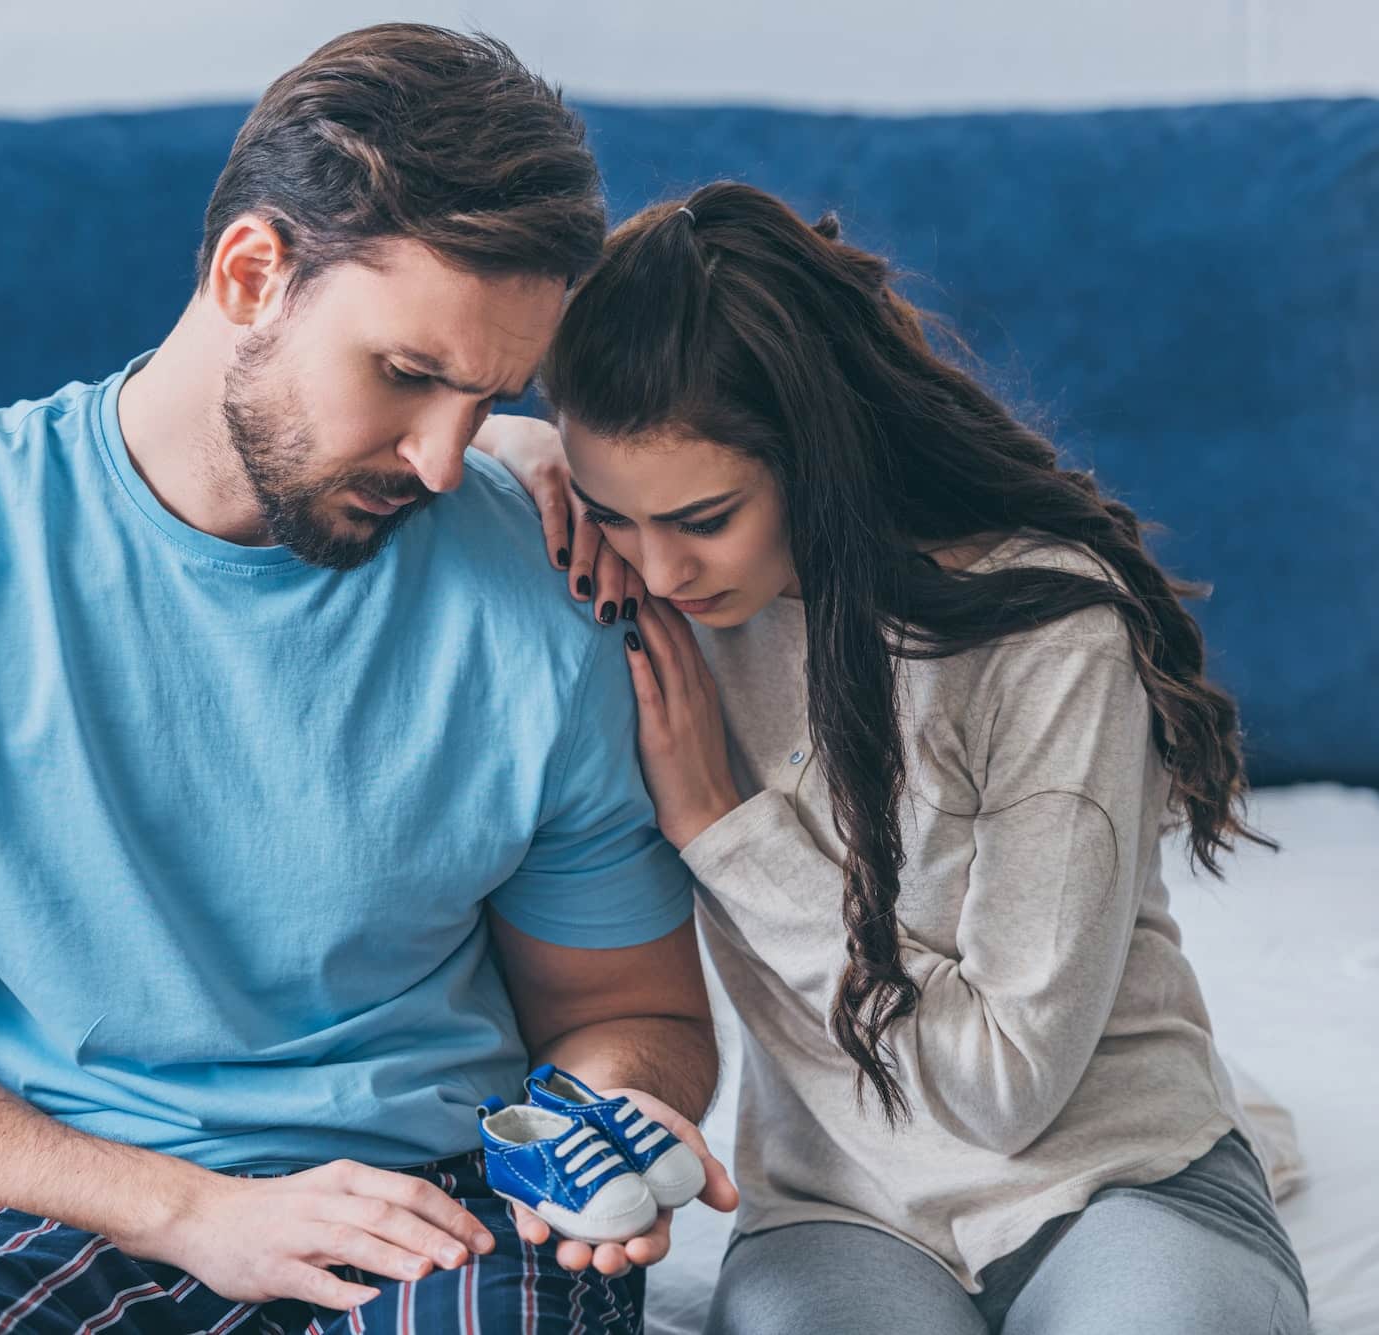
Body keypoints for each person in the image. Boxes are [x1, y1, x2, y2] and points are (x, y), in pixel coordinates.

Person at [0, 26, 735, 1334]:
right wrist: (188, 1208)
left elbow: (627, 1008)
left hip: (429, 1195)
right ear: (251, 273)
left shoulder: (538, 584)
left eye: (486, 400)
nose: (441, 460)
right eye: (409, 376)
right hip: (43, 1182)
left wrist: (609, 1116)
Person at [474, 180, 1309, 1334]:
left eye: (704, 517)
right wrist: (517, 448)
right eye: (618, 515)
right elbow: (412, 440)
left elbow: (1004, 1096)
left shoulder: (1043, 631)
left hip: (1110, 1173)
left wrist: (726, 828)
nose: (657, 571)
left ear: (815, 458)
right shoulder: (649, 594)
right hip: (840, 1211)